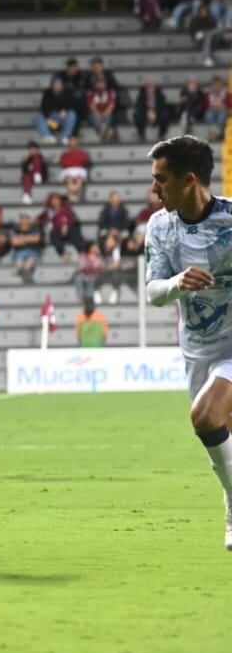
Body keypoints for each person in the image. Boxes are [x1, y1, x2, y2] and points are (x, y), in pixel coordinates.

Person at [142, 135, 232, 549]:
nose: (154, 189)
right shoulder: (159, 227)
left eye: (161, 180)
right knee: (217, 429)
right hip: (197, 348)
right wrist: (178, 282)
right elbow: (152, 292)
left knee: (205, 416)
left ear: (189, 180)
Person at [36, 77, 78, 145]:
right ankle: (48, 137)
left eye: (58, 84)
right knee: (40, 117)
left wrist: (65, 110)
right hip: (52, 121)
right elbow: (44, 107)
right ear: (52, 85)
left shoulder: (67, 92)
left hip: (63, 119)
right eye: (55, 84)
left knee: (72, 114)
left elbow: (72, 104)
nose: (57, 85)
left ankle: (65, 137)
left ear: (62, 85)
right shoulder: (47, 93)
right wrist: (47, 118)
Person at [10, 213, 44, 284]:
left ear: (29, 220)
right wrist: (29, 239)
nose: (24, 222)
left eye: (26, 219)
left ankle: (24, 273)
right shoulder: (16, 230)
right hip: (19, 252)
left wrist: (21, 239)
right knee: (19, 260)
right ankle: (24, 274)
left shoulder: (34, 229)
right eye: (22, 220)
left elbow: (36, 239)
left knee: (31, 259)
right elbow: (14, 242)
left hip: (32, 251)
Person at [20, 141, 48, 206]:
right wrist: (26, 159)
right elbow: (24, 170)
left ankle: (37, 174)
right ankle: (26, 194)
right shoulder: (26, 158)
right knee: (27, 177)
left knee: (36, 158)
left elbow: (43, 167)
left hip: (40, 176)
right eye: (31, 149)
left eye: (34, 149)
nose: (33, 151)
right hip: (30, 177)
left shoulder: (39, 157)